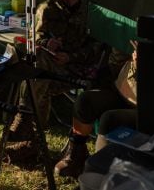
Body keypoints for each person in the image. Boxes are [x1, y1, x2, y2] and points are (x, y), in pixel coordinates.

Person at [5, 0, 109, 167]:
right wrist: (46, 43)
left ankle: (28, 130)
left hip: (79, 67)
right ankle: (31, 140)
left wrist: (71, 57)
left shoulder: (91, 11)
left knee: (37, 77)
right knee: (36, 63)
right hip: (52, 67)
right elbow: (37, 39)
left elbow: (98, 47)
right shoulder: (48, 9)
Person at [53, 44, 138, 178]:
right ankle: (77, 155)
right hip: (123, 91)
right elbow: (115, 68)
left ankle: (99, 174)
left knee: (110, 119)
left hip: (149, 106)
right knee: (85, 101)